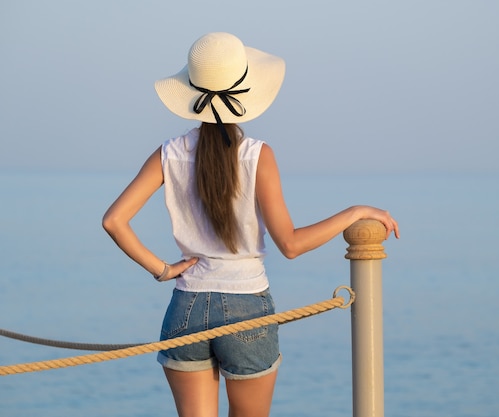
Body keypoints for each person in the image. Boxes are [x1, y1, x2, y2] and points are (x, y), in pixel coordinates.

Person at [102, 32, 399, 417]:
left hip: (186, 307)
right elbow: (290, 245)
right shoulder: (258, 156)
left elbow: (114, 221)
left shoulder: (168, 154)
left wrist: (163, 270)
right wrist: (354, 211)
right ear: (244, 95)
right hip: (247, 308)